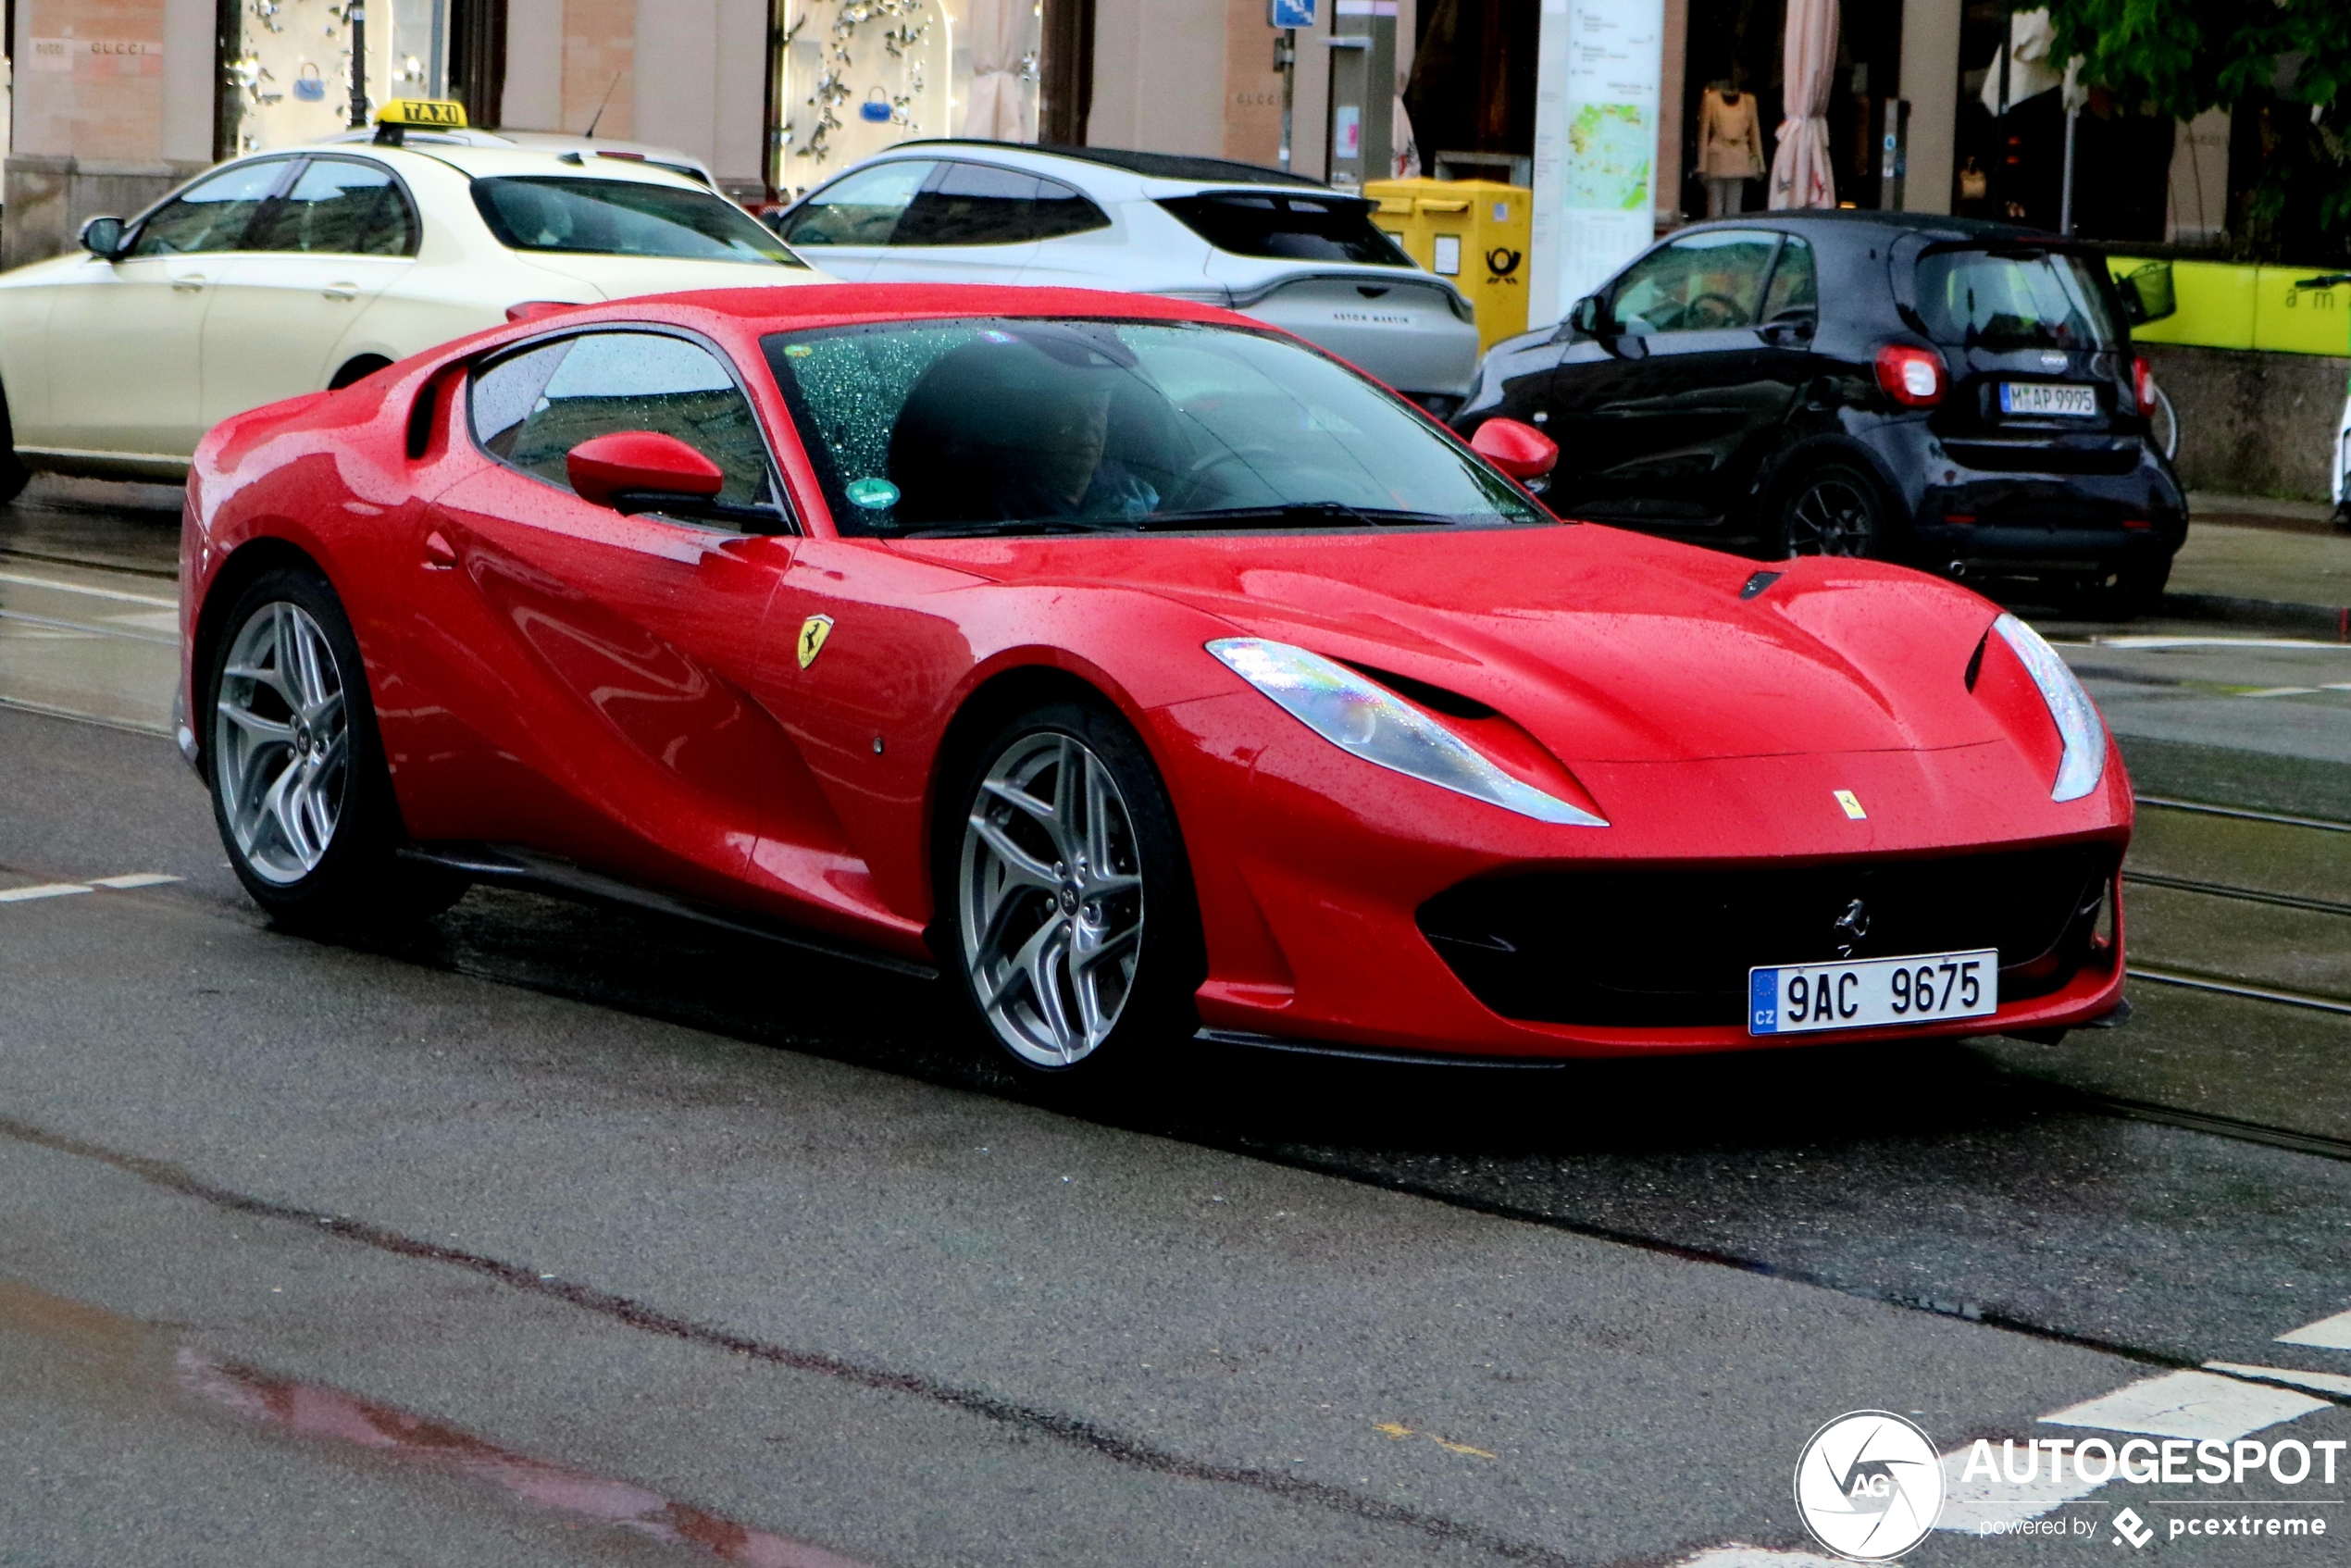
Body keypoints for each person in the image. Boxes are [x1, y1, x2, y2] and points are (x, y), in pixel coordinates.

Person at [889, 331, 1161, 526]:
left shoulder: (1138, 498)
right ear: (1031, 420)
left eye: (1097, 409)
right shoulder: (984, 514)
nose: (1087, 425)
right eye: (1070, 410)